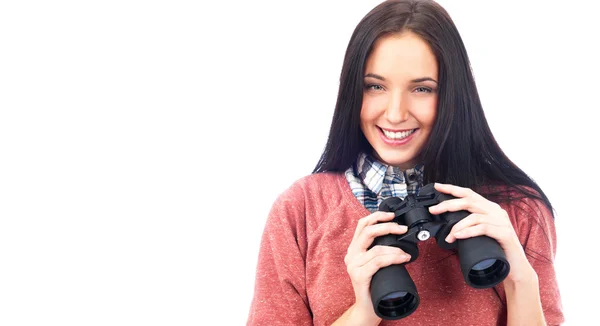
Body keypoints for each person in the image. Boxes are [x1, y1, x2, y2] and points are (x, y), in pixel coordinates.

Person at [246, 0, 564, 325]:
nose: (396, 113)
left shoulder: (515, 212)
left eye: (422, 88)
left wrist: (521, 281)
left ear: (453, 95)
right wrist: (364, 310)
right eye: (375, 86)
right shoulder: (301, 211)